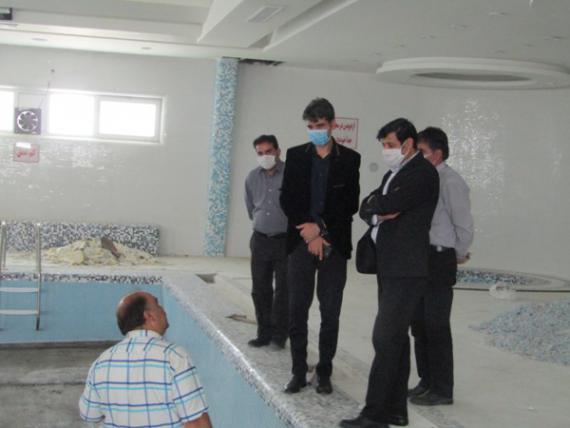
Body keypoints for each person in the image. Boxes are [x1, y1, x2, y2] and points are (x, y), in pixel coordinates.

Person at [341, 118, 439, 428]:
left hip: (407, 269)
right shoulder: (394, 173)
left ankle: (375, 415)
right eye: (383, 145)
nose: (386, 150)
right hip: (390, 266)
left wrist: (379, 207)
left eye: (390, 145)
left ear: (408, 144)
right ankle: (396, 410)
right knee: (395, 339)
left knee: (384, 338)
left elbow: (390, 204)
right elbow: (368, 205)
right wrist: (376, 209)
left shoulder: (422, 173)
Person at [280, 97, 360, 394]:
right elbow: (287, 199)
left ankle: (324, 372)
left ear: (333, 125)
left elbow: (349, 204)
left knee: (330, 311)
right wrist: (310, 234)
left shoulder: (349, 159)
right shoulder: (296, 156)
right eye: (311, 126)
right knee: (297, 309)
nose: (316, 131)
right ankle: (298, 371)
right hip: (301, 241)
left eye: (321, 125)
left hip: (334, 244)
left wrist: (322, 231)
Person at [408, 127, 474, 406]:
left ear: (437, 154)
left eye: (421, 152)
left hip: (439, 258)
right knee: (418, 323)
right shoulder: (421, 179)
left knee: (436, 324)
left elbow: (464, 225)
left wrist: (456, 254)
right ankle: (426, 380)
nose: (417, 156)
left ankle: (443, 389)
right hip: (419, 257)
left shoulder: (451, 181)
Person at [79, 292, 213, 428]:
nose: (164, 310)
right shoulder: (174, 357)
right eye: (158, 305)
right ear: (149, 316)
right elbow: (196, 423)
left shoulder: (101, 363)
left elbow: (90, 414)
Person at [245, 134, 289, 349]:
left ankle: (279, 336)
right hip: (261, 239)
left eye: (269, 151)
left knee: (284, 290)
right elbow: (250, 207)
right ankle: (263, 334)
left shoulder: (292, 174)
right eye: (260, 153)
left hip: (286, 240)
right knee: (260, 289)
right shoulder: (252, 177)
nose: (265, 156)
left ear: (278, 151)